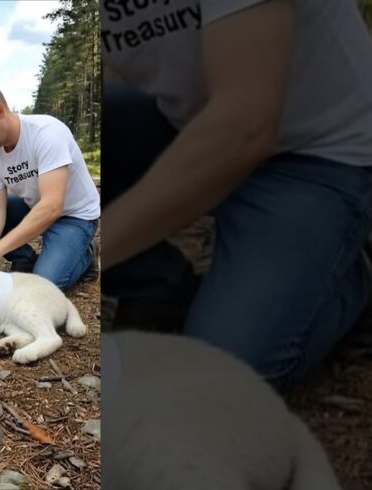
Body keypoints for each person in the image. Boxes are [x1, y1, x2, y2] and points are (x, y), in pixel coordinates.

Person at [101, 0, 372, 393]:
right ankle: (157, 285)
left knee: (226, 372)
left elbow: (245, 124)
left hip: (320, 152)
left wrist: (99, 247)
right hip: (192, 119)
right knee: (98, 126)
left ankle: (351, 269)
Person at [0, 83, 100, 291]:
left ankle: (87, 253)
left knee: (45, 285)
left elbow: (52, 206)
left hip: (74, 216)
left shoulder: (46, 134)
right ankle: (26, 259)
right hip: (35, 207)